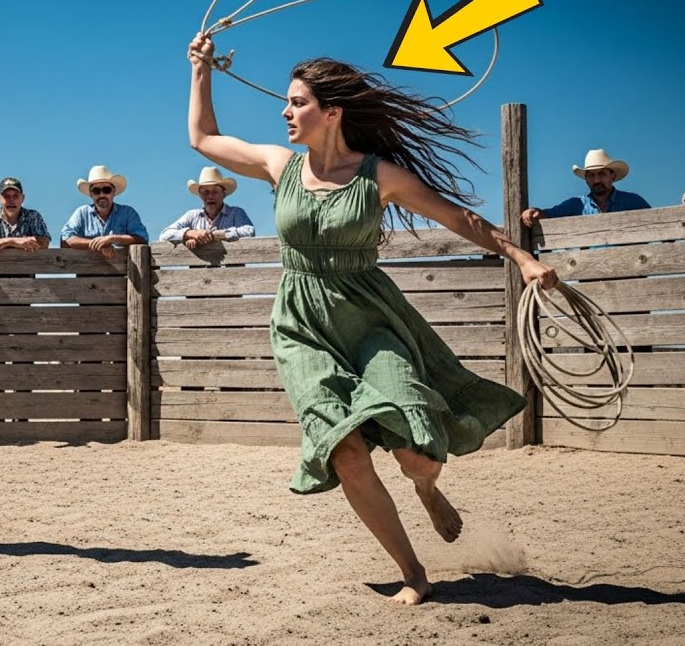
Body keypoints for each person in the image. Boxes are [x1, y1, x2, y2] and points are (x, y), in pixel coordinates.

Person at [186, 31, 558, 606]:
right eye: (286, 102)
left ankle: (426, 487)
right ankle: (413, 571)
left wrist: (522, 257)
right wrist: (201, 69)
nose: (285, 112)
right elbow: (204, 137)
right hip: (301, 323)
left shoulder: (379, 176)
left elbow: (458, 218)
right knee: (345, 449)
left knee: (414, 448)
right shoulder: (278, 164)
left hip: (369, 318)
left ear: (331, 112)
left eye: (297, 103)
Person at [520, 149, 651, 227]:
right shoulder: (576, 205)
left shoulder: (633, 202)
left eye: (601, 174)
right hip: (588, 270)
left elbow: (662, 226)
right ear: (585, 179)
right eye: (591, 175)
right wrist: (533, 211)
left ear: (612, 175)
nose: (596, 180)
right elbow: (547, 215)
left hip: (629, 270)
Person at [60, 165, 149, 259]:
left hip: (124, 273)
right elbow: (66, 239)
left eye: (106, 190)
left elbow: (142, 238)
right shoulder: (81, 213)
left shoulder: (128, 213)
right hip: (87, 272)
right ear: (91, 194)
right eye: (96, 191)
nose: (102, 195)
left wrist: (112, 239)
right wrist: (99, 244)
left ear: (113, 191)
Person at [158, 165, 256, 248]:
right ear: (200, 195)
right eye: (206, 192)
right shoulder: (192, 215)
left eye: (215, 192)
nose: (210, 196)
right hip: (200, 270)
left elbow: (249, 231)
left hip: (231, 270)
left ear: (223, 194)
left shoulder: (235, 213)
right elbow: (164, 235)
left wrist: (213, 235)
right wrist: (190, 234)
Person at [0, 177, 51, 252]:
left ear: (23, 198)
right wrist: (15, 241)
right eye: (6, 196)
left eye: (15, 196)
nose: (11, 200)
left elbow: (44, 242)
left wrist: (6, 242)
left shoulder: (33, 216)